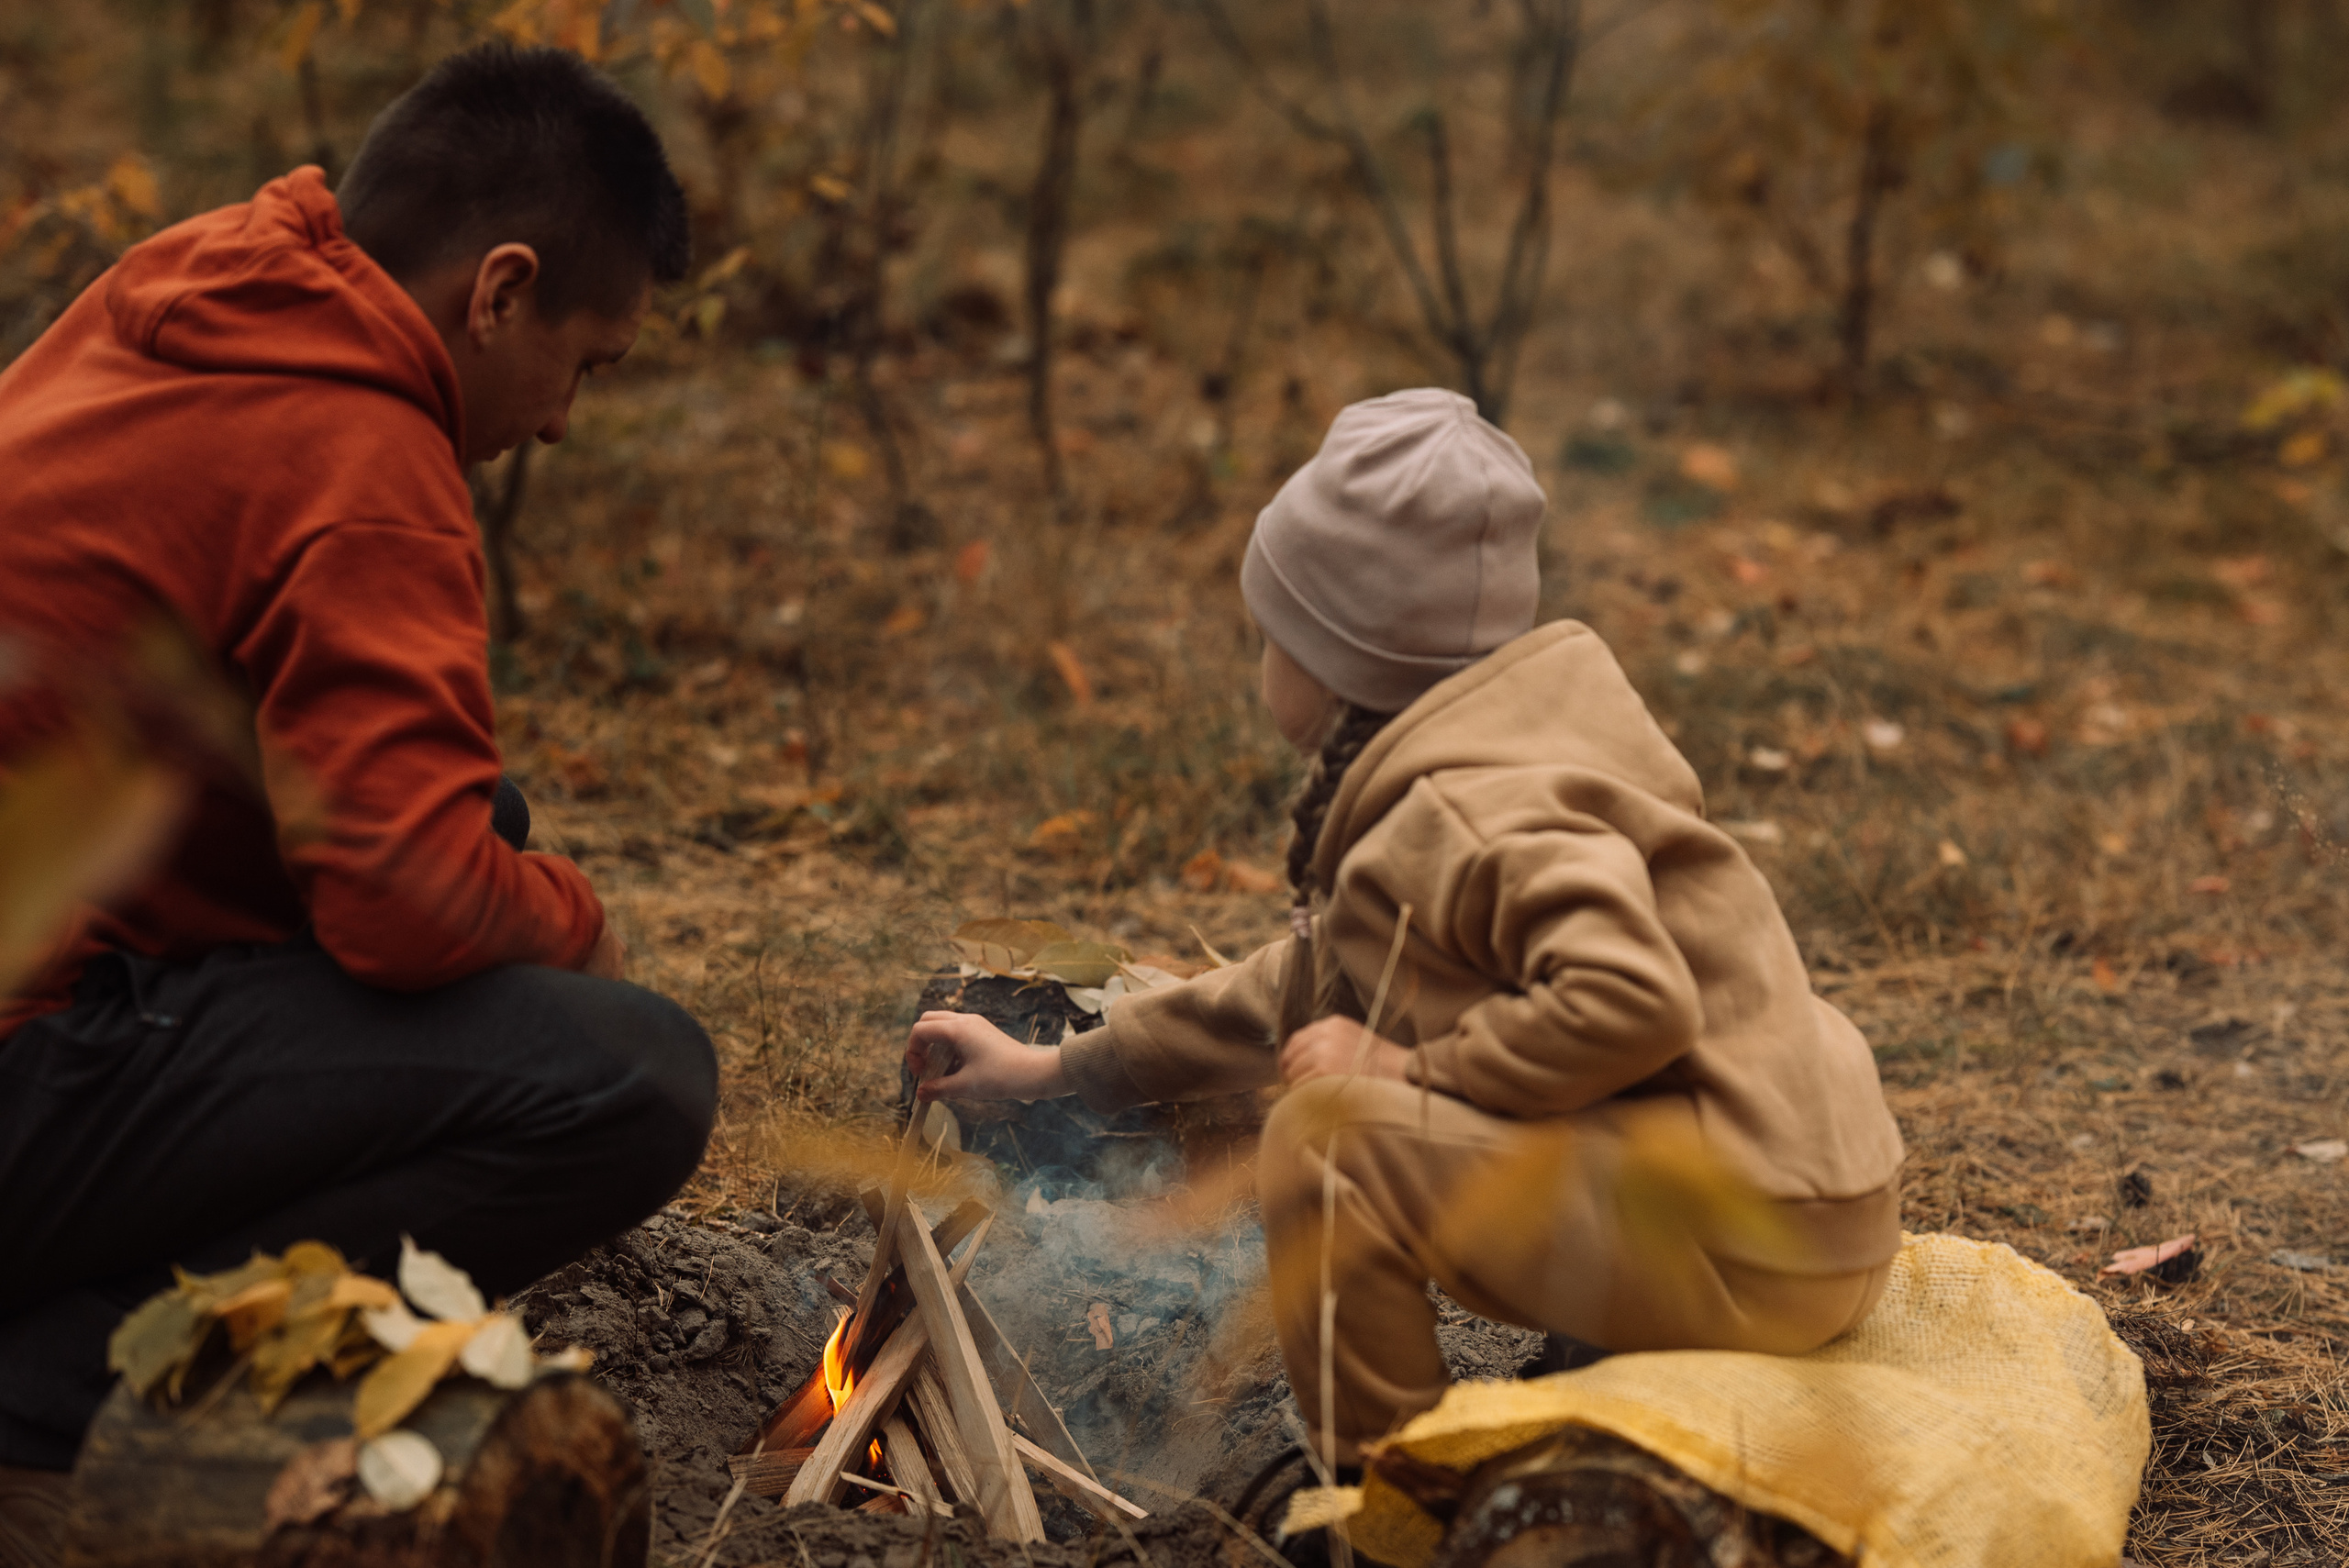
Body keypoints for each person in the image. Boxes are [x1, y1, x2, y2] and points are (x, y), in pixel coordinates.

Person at [907, 389, 1907, 1484]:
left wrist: (1404, 1065)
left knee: (1327, 1139)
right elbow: (1303, 984)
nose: (1260, 665)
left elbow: (1635, 1001)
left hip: (1745, 1245)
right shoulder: (1511, 753)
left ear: (1333, 660)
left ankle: (1393, 1495)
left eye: (1269, 637)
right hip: (1800, 1202)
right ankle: (1603, 1363)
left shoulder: (1461, 817)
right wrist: (1054, 1067)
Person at [0, 43, 715, 1552]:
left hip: (45, 924)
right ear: (500, 289)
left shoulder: (201, 288)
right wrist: (576, 926)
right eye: (585, 364)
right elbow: (401, 899)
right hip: (19, 1068)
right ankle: (52, 1391)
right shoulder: (366, 451)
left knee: (489, 821)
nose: (563, 422)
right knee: (631, 1075)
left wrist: (498, 876)